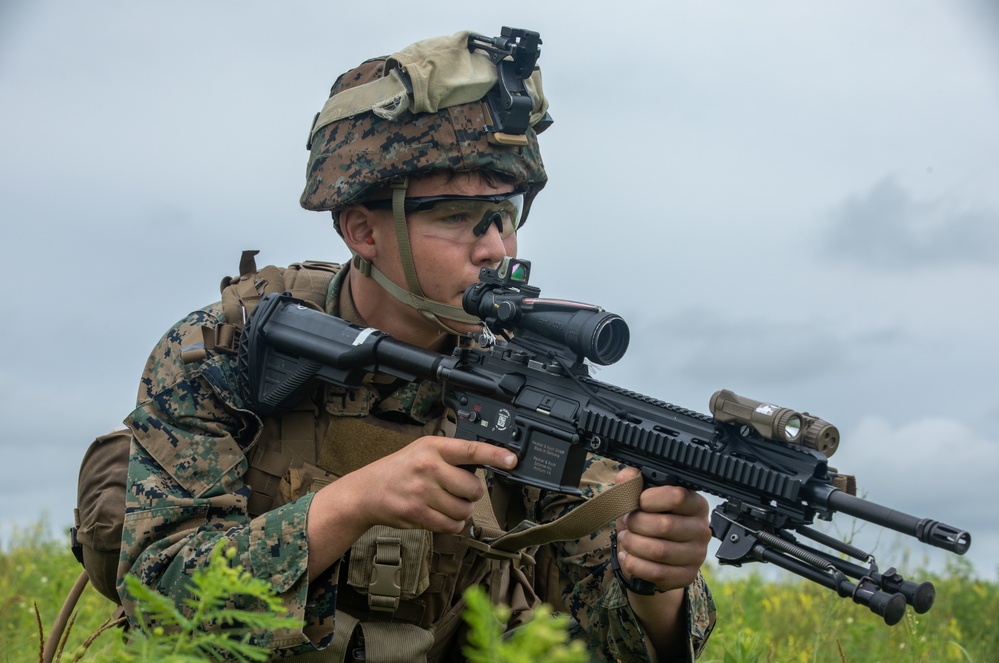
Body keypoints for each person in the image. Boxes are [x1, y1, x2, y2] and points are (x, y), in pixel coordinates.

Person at [119, 28, 716, 662]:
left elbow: (612, 639)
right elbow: (158, 598)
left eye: (506, 212)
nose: (496, 249)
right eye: (456, 216)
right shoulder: (226, 352)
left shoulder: (527, 387)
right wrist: (353, 503)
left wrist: (655, 585)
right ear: (362, 231)